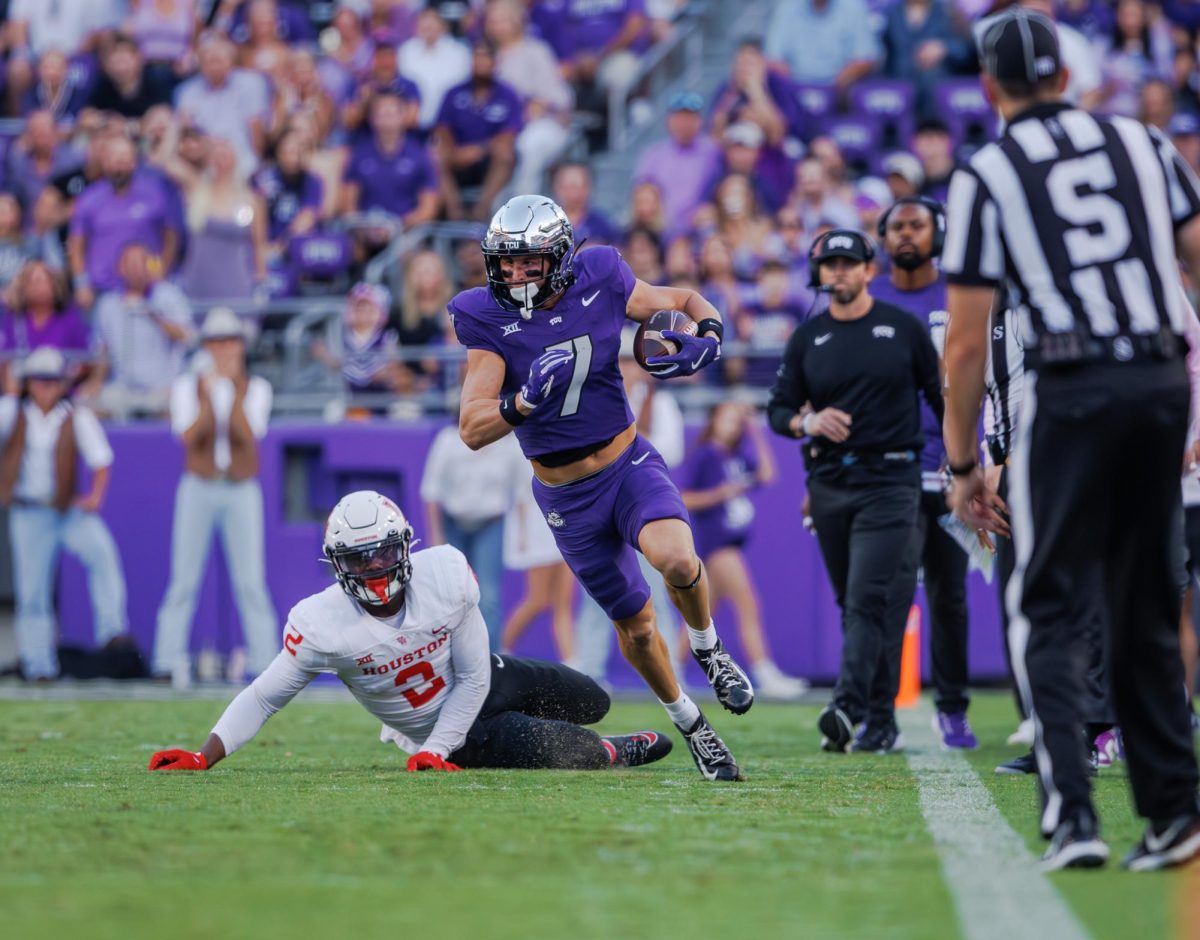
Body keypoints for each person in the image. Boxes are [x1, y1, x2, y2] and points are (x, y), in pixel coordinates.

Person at [941, 8, 1200, 870]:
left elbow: (968, 341)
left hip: (1073, 382)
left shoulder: (990, 172)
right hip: (1162, 379)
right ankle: (1172, 811)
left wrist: (962, 462)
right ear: (1066, 75)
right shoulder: (1143, 143)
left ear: (992, 88)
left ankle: (1074, 818)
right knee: (1145, 602)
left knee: (1046, 605)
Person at [451, 194, 753, 781]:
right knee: (637, 629)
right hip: (566, 497)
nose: (513, 274)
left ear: (560, 257)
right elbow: (471, 427)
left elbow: (685, 301)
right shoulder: (484, 316)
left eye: (527, 262)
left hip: (627, 462)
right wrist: (522, 402)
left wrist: (709, 334)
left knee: (676, 559)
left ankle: (708, 646)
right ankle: (692, 724)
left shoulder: (603, 272)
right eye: (505, 263)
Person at [148, 491, 673, 773]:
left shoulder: (443, 575)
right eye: (359, 559)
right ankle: (612, 752)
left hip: (486, 680)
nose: (375, 567)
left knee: (591, 699)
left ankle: (580, 735)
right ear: (337, 565)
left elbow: (471, 677)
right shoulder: (322, 624)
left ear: (405, 547)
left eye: (382, 552)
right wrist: (204, 754)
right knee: (575, 748)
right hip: (446, 734)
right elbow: (263, 697)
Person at [768, 229, 943, 755]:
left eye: (849, 262)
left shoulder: (903, 328)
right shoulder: (807, 337)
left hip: (892, 481)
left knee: (868, 599)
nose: (839, 271)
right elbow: (778, 410)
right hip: (830, 484)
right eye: (831, 264)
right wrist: (810, 420)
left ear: (870, 269)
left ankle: (847, 706)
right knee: (857, 603)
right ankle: (880, 720)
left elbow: (940, 396)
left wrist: (961, 464)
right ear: (819, 274)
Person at [869, 196, 976, 749]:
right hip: (891, 469)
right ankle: (879, 711)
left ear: (939, 232)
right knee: (887, 593)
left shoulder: (962, 293)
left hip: (953, 467)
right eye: (897, 227)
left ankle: (954, 707)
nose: (907, 235)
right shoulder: (869, 298)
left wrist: (975, 458)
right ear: (882, 239)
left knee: (950, 594)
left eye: (917, 225)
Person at [152, 307, 277, 686]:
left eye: (230, 341)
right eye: (217, 341)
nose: (224, 349)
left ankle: (266, 665)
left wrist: (230, 389)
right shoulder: (187, 386)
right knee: (183, 580)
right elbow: (188, 436)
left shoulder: (257, 387)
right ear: (207, 346)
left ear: (240, 345)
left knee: (251, 582)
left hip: (240, 487)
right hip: (199, 485)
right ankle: (166, 662)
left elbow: (247, 434)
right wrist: (209, 396)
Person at [0, 347, 129, 681]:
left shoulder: (76, 415)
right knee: (32, 590)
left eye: (52, 381)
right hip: (28, 510)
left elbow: (102, 460)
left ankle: (111, 632)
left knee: (102, 555)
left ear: (62, 384)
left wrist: (95, 497)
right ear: (29, 383)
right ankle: (37, 664)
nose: (46, 387)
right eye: (40, 381)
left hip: (66, 508)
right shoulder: (11, 411)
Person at [678, 402, 808, 700]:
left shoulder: (732, 457)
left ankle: (671, 669)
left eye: (737, 422)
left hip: (729, 544)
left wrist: (755, 431)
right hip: (718, 545)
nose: (732, 426)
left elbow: (767, 474)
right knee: (748, 605)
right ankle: (764, 672)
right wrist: (719, 494)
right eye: (727, 419)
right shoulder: (707, 454)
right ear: (713, 420)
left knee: (702, 616)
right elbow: (685, 498)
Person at [420, 419, 521, 650]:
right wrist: (436, 536)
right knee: (452, 595)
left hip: (491, 524)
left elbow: (522, 491)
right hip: (453, 524)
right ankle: (452, 657)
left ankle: (492, 660)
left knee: (489, 596)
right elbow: (431, 490)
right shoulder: (448, 440)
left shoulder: (509, 446)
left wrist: (522, 536)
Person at [499, 460, 576, 661]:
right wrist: (524, 536)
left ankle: (572, 664)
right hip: (538, 534)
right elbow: (521, 494)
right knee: (537, 600)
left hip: (565, 529)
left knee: (563, 603)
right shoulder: (526, 446)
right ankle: (502, 653)